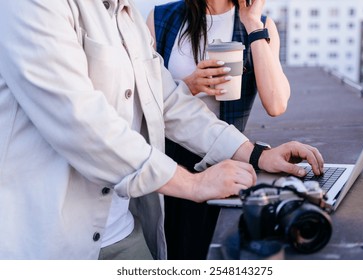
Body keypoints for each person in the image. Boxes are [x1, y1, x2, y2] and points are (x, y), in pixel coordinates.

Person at [0, 0, 323, 260]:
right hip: (45, 242)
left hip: (121, 227)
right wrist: (192, 183)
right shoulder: (31, 5)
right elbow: (81, 121)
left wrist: (255, 154)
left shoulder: (123, 14)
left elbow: (167, 100)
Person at [146, 0, 290, 259]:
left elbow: (277, 103)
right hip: (167, 159)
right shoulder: (161, 18)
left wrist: (253, 24)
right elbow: (143, 95)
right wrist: (188, 85)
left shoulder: (258, 23)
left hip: (227, 158)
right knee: (169, 249)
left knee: (208, 252)